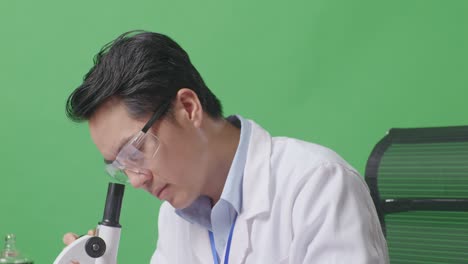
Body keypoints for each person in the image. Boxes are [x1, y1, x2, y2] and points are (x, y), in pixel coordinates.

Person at [63, 30, 389, 263]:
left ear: (188, 108)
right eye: (121, 165)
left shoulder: (318, 185)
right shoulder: (176, 216)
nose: (136, 180)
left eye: (135, 152)